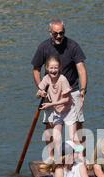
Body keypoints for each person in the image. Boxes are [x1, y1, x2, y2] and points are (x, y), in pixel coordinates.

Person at [32, 19, 87, 149]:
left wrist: (83, 91)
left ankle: (80, 158)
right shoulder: (43, 47)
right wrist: (41, 89)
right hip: (51, 93)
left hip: (72, 91)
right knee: (51, 126)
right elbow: (36, 69)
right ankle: (51, 157)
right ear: (50, 32)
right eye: (55, 33)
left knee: (77, 125)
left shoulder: (73, 46)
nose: (58, 36)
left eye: (61, 33)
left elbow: (81, 69)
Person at [37, 55, 74, 162]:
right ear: (47, 68)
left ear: (60, 68)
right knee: (51, 134)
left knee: (63, 136)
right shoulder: (46, 79)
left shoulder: (63, 79)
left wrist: (51, 104)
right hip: (52, 111)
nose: (53, 70)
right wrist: (41, 93)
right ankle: (52, 157)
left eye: (56, 68)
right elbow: (37, 94)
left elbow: (66, 100)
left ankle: (62, 158)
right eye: (51, 68)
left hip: (63, 110)